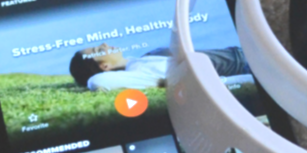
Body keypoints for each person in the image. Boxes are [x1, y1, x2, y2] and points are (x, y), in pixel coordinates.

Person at [69, 43, 252, 91]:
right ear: (105, 66)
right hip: (244, 66)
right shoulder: (138, 72)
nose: (105, 44)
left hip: (242, 54)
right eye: (100, 50)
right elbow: (97, 81)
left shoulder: (141, 60)